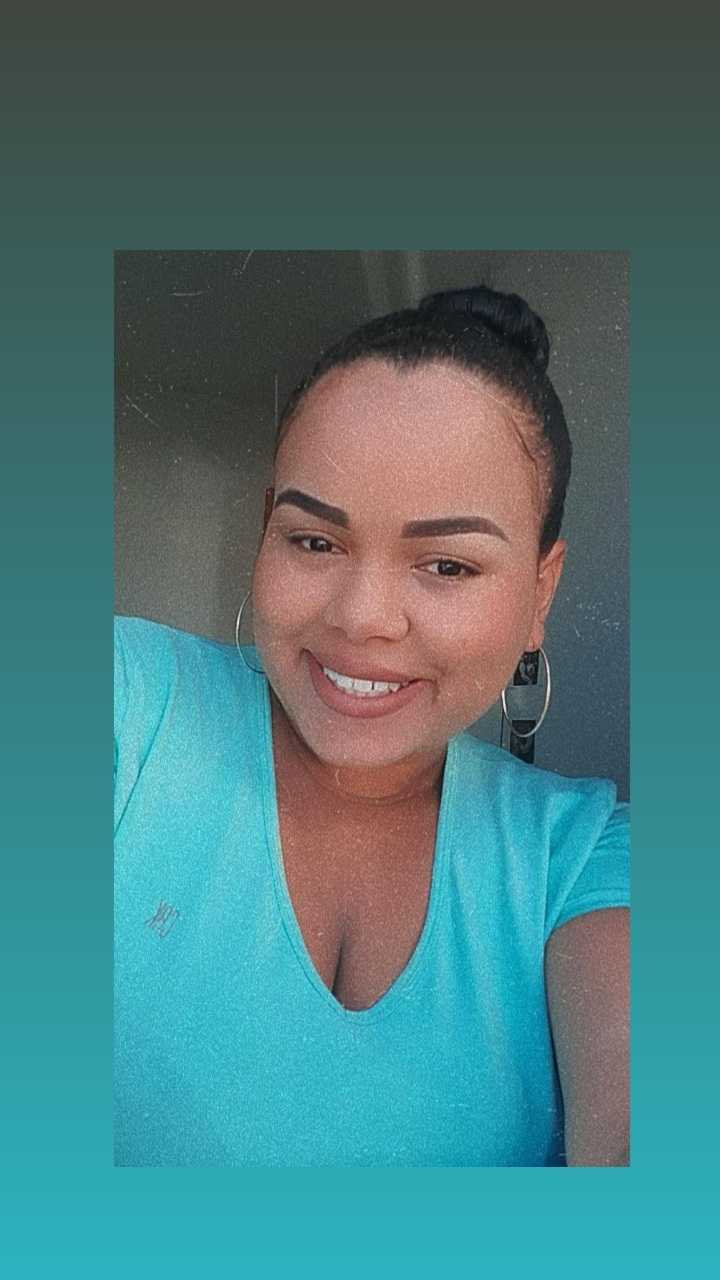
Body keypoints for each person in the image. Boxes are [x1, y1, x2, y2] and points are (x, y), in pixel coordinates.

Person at [114, 285, 629, 1167]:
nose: (361, 617)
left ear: (540, 593)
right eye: (314, 541)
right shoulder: (129, 702)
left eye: (447, 564)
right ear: (266, 531)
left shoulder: (582, 857)